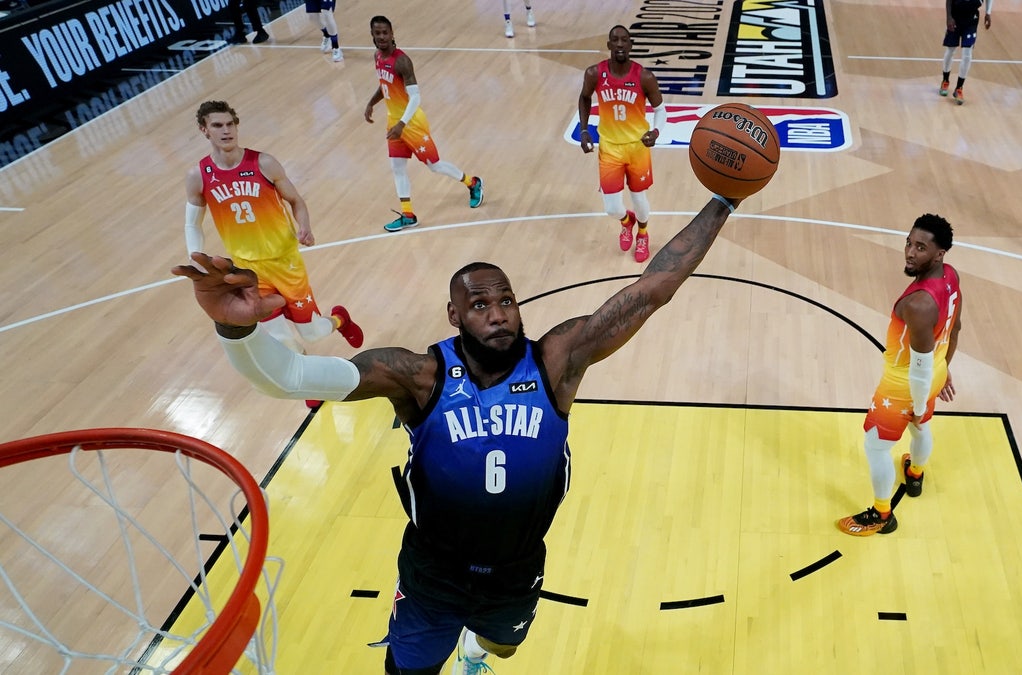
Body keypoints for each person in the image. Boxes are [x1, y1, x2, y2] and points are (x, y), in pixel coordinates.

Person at [171, 193, 743, 674]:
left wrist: (724, 199)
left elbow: (652, 288)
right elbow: (291, 377)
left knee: (502, 646)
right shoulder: (416, 376)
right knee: (409, 671)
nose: (498, 313)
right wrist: (235, 328)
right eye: (479, 304)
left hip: (517, 569)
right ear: (454, 316)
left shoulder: (556, 362)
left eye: (506, 300)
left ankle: (476, 650)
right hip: (433, 574)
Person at [184, 101, 363, 386]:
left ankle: (340, 319)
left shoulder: (263, 163)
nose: (226, 130)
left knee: (312, 332)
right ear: (204, 130)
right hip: (248, 271)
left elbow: (296, 201)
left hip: (285, 262)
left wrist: (304, 226)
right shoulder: (198, 176)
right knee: (281, 338)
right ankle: (309, 384)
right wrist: (195, 255)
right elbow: (192, 224)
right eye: (217, 125)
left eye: (230, 124)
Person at [837, 214, 963, 537]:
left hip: (905, 385)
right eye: (909, 243)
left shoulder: (919, 304)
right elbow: (954, 329)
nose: (909, 252)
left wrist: (918, 404)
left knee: (876, 447)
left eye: (921, 247)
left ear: (939, 253)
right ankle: (916, 474)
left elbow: (918, 368)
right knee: (921, 428)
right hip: (934, 370)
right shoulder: (950, 276)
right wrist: (944, 367)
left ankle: (881, 514)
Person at [364, 16, 485, 233]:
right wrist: (371, 103)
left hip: (411, 122)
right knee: (397, 167)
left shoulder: (402, 61)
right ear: (372, 35)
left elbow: (416, 97)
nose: (381, 37)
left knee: (434, 165)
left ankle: (472, 183)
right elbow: (385, 85)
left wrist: (402, 124)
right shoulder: (377, 56)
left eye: (385, 32)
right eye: (377, 33)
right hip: (394, 122)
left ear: (392, 34)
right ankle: (408, 215)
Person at [577, 25, 665, 264]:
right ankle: (627, 221)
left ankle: (643, 234)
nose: (619, 44)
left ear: (630, 45)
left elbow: (660, 109)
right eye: (615, 40)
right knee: (612, 208)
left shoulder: (644, 77)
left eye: (624, 40)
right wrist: (584, 130)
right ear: (608, 45)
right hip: (609, 148)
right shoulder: (594, 73)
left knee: (639, 198)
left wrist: (656, 131)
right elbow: (584, 97)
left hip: (637, 147)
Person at [939, 0, 992, 104]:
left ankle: (959, 88)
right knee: (950, 49)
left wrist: (988, 13)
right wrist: (949, 17)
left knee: (967, 54)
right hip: (955, 16)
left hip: (971, 19)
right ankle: (945, 80)